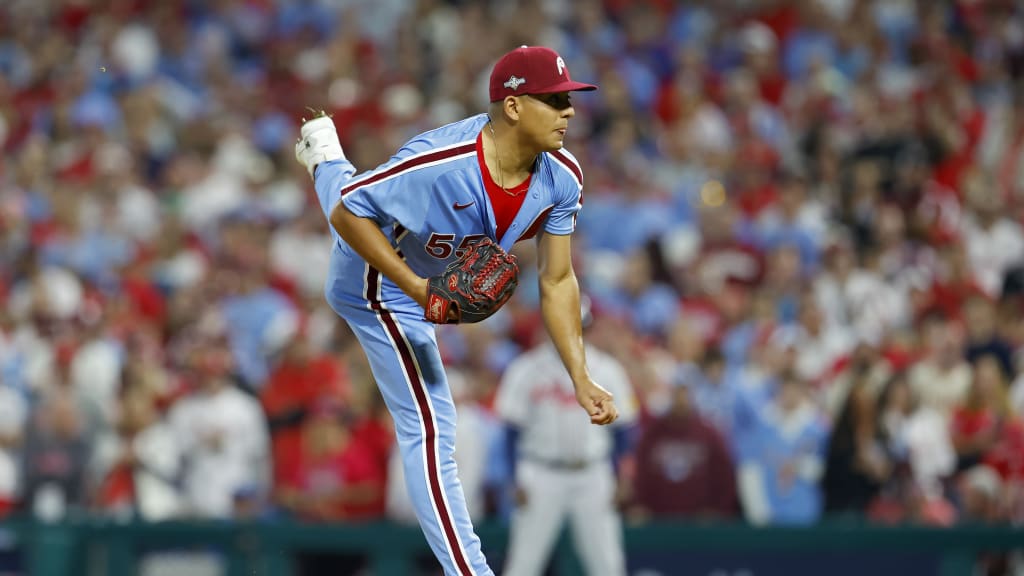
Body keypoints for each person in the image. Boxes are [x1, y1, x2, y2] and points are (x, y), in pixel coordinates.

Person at [294, 45, 619, 576]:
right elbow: (350, 214)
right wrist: (419, 290)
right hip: (378, 281)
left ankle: (326, 154)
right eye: (555, 100)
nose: (569, 112)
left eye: (569, 100)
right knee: (431, 425)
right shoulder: (441, 161)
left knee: (352, 186)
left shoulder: (562, 176)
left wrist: (579, 375)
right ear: (513, 106)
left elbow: (557, 277)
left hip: (421, 274)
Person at [495, 297, 638, 576]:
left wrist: (624, 475)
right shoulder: (526, 369)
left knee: (608, 564)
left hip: (593, 473)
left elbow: (625, 430)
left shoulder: (607, 370)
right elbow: (511, 430)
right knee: (524, 563)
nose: (573, 330)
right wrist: (514, 478)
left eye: (580, 324)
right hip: (540, 472)